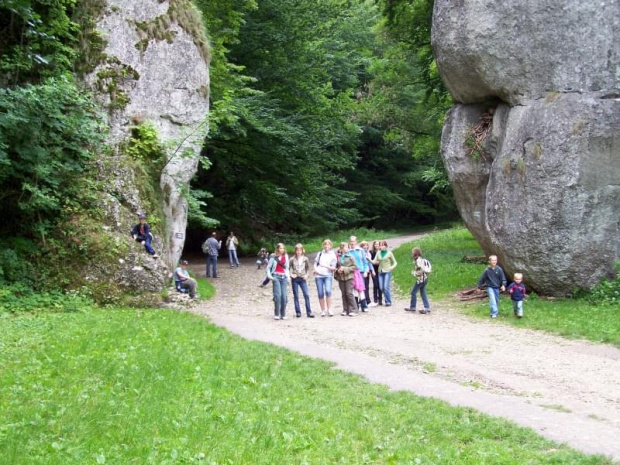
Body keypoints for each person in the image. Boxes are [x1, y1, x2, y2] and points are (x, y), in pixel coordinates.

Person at [313, 239, 337, 317]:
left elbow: (333, 267)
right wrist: (315, 270)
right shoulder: (320, 254)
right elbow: (315, 263)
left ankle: (329, 309)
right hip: (318, 276)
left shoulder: (333, 254)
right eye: (325, 244)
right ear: (323, 245)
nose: (327, 246)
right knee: (320, 293)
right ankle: (323, 310)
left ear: (330, 246)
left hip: (327, 275)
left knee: (328, 291)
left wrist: (325, 266)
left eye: (328, 245)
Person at [290, 244, 315, 318]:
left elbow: (308, 268)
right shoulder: (292, 259)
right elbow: (287, 268)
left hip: (302, 278)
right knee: (296, 295)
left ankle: (309, 312)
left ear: (302, 250)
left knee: (306, 295)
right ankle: (298, 312)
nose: (298, 252)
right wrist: (291, 274)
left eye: (300, 250)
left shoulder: (305, 259)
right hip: (295, 279)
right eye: (297, 250)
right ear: (295, 251)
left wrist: (307, 275)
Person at [266, 243, 289, 320]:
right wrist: (270, 277)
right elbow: (268, 268)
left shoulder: (285, 256)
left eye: (283, 248)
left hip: (284, 277)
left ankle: (283, 313)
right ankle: (276, 313)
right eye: (280, 248)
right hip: (276, 276)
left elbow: (287, 268)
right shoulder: (273, 257)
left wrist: (288, 277)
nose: (282, 249)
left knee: (284, 296)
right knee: (278, 295)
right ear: (277, 249)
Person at [405, 247, 431, 314]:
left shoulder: (418, 261)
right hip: (425, 279)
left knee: (413, 292)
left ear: (415, 253)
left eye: (412, 253)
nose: (411, 254)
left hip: (421, 279)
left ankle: (413, 307)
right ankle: (427, 307)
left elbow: (421, 270)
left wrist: (414, 273)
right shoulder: (420, 260)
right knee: (423, 294)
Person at [371, 240, 397, 307]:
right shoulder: (378, 253)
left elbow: (395, 262)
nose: (381, 246)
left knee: (386, 287)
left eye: (382, 245)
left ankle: (388, 301)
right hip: (380, 272)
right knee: (381, 287)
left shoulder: (389, 253)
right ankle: (387, 299)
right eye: (380, 245)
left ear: (386, 246)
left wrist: (392, 267)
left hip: (387, 272)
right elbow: (374, 261)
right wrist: (368, 259)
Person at [334, 242, 358, 317]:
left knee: (349, 293)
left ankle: (354, 309)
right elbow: (336, 266)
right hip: (341, 277)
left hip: (349, 277)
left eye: (345, 247)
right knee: (343, 294)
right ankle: (345, 309)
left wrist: (345, 269)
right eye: (342, 247)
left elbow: (355, 267)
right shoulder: (339, 256)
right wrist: (338, 270)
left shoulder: (351, 256)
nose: (344, 248)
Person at [347, 236, 370, 312]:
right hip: (352, 272)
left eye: (353, 241)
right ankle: (356, 305)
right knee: (354, 289)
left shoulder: (361, 251)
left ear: (356, 241)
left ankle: (364, 305)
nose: (352, 243)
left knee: (361, 289)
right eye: (351, 241)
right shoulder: (348, 252)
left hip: (361, 272)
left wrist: (366, 271)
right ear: (349, 242)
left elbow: (365, 261)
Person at [360, 241, 375, 309]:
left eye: (366, 245)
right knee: (363, 287)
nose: (365, 247)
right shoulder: (361, 253)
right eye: (364, 245)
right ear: (361, 246)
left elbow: (369, 263)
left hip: (367, 271)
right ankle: (365, 301)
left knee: (366, 286)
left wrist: (372, 270)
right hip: (362, 271)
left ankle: (367, 300)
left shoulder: (368, 253)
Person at [369, 240, 382, 306]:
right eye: (375, 244)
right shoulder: (371, 252)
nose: (377, 245)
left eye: (378, 244)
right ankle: (375, 299)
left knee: (380, 285)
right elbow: (370, 261)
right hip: (373, 270)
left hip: (380, 270)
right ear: (373, 245)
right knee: (375, 284)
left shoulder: (381, 252)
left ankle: (380, 299)